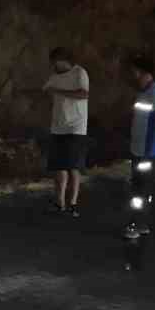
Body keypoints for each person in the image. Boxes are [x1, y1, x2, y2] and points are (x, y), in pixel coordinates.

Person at [125, 55, 155, 241]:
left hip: (148, 151)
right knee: (140, 188)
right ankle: (141, 224)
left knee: (139, 190)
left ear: (143, 72)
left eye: (135, 70)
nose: (132, 74)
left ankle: (135, 225)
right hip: (138, 149)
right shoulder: (142, 92)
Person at [41, 46, 90, 217]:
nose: (53, 65)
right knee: (59, 167)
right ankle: (59, 202)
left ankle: (73, 204)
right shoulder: (54, 77)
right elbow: (44, 92)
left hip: (76, 127)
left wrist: (59, 92)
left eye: (55, 62)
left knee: (73, 167)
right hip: (58, 126)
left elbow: (84, 94)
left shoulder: (79, 73)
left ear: (62, 60)